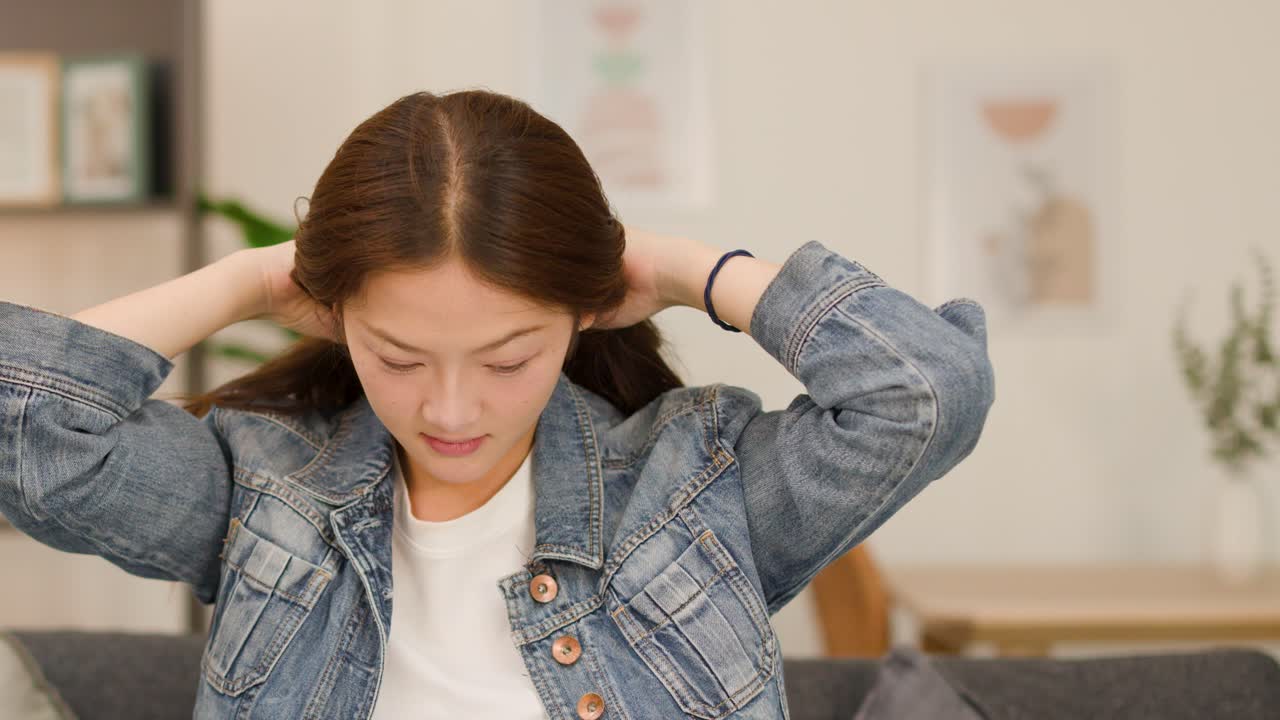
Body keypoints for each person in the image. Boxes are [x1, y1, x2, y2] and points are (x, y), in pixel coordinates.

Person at [0, 89, 995, 719]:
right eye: (397, 354)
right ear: (337, 322)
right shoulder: (259, 489)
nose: (449, 408)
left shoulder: (695, 489)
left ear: (582, 318)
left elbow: (923, 391)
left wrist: (691, 268)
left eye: (507, 356)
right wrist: (248, 281)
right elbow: (27, 428)